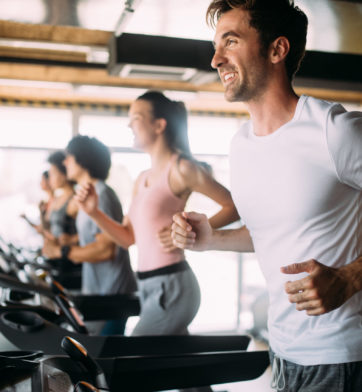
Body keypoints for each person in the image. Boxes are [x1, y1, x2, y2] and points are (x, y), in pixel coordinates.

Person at [171, 1, 362, 391]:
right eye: (216, 45)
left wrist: (350, 277)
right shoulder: (241, 145)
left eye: (231, 42)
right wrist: (211, 238)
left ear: (277, 50)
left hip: (342, 356)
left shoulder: (333, 131)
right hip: (284, 352)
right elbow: (271, 234)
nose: (215, 59)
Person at [75, 91, 240, 337]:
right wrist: (94, 212)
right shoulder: (141, 179)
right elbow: (127, 238)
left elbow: (233, 206)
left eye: (136, 118)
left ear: (159, 125)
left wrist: (192, 231)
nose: (129, 124)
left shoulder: (181, 169)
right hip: (148, 286)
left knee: (135, 354)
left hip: (172, 285)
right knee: (168, 366)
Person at [42, 136, 137, 335]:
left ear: (83, 161)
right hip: (98, 288)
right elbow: (98, 234)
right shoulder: (88, 193)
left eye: (69, 157)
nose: (65, 162)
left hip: (112, 294)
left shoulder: (102, 195)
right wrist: (73, 240)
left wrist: (62, 251)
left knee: (105, 355)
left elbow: (105, 250)